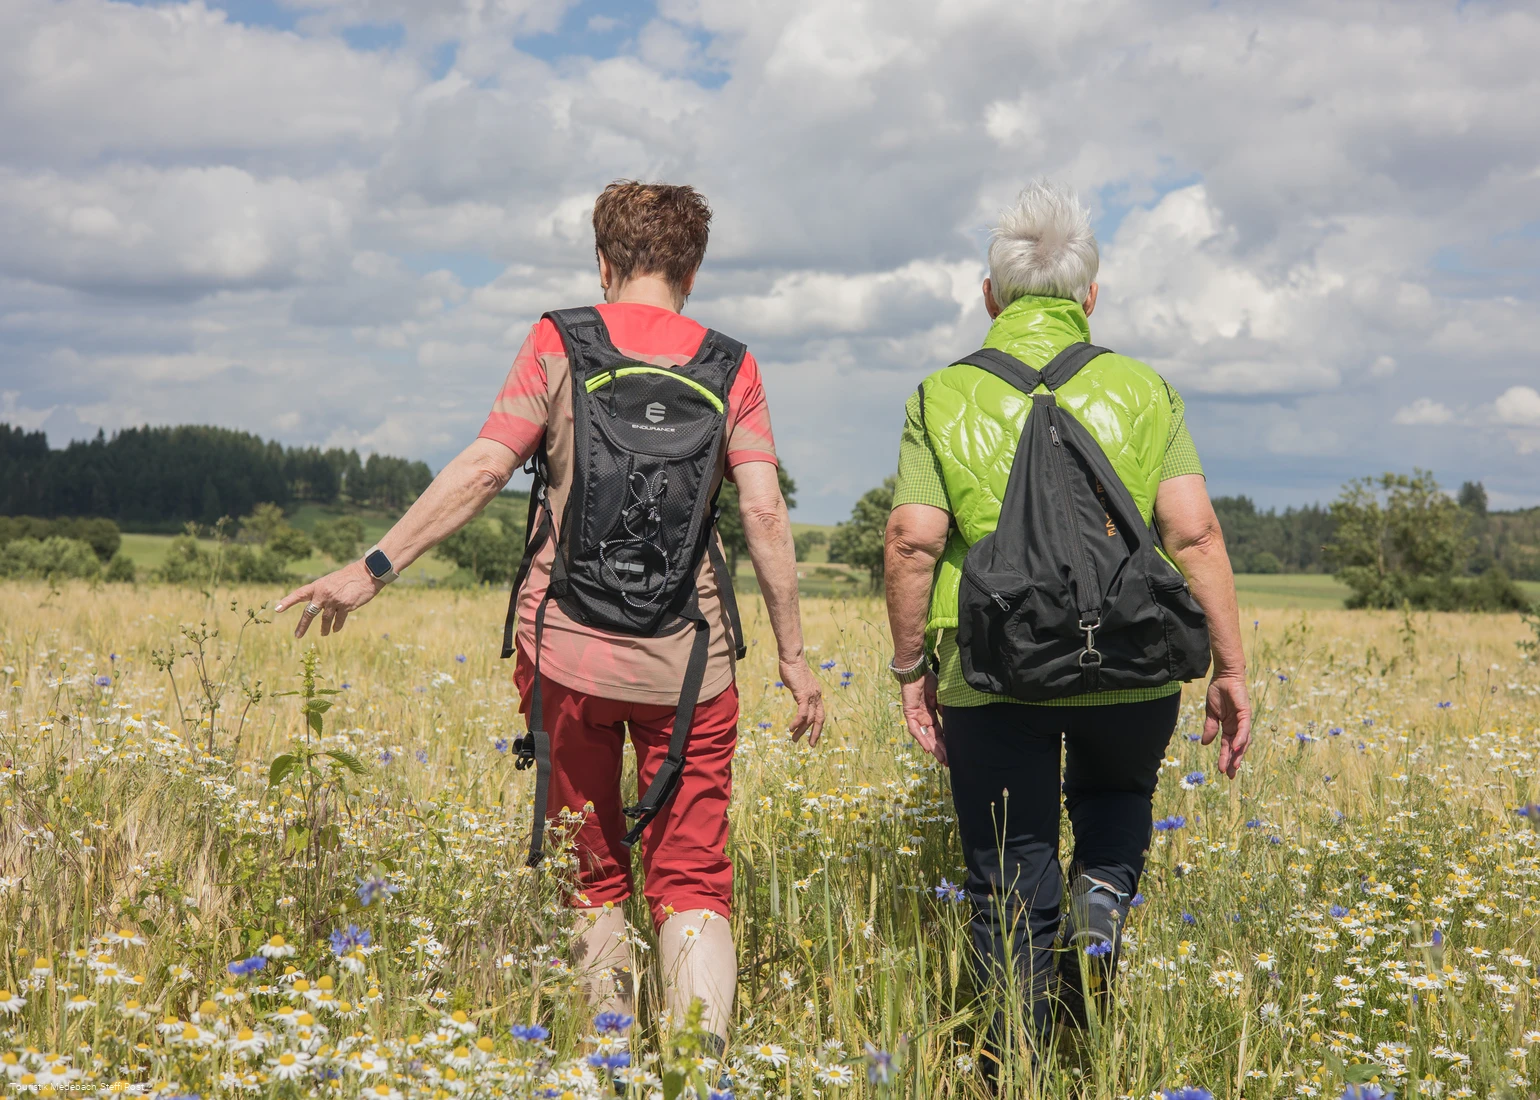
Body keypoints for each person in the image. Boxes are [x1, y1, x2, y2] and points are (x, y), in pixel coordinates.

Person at [276, 180, 825, 1053]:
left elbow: (489, 468)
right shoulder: (732, 365)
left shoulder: (560, 340)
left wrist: (372, 568)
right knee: (691, 878)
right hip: (695, 667)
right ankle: (697, 1070)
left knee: (594, 871)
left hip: (568, 653)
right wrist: (795, 659)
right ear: (695, 268)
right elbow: (762, 513)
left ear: (604, 262)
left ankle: (609, 1060)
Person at [882, 180, 1252, 1070]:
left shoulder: (941, 394)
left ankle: (1015, 1061)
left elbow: (912, 540)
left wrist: (907, 669)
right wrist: (1230, 666)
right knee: (1118, 803)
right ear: (1091, 296)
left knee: (1010, 865)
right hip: (1133, 663)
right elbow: (1193, 531)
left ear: (989, 297)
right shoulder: (1145, 388)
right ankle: (1102, 905)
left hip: (993, 669)